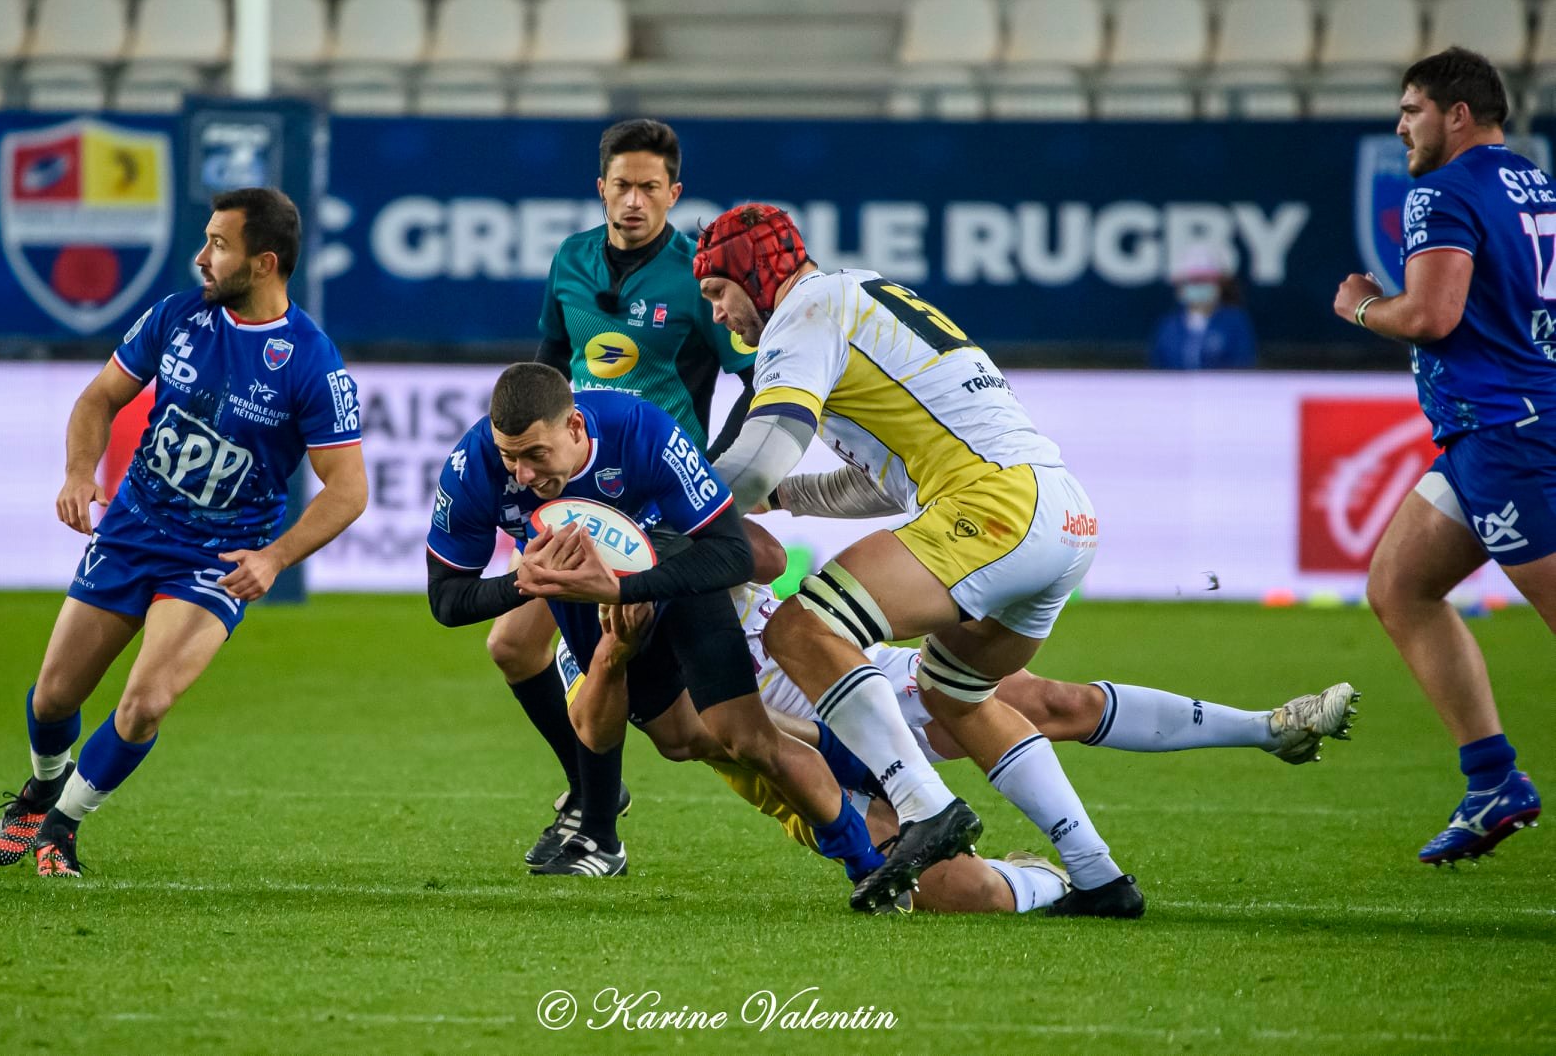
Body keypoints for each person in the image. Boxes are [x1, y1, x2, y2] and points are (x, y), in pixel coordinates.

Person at [696, 203, 1143, 916]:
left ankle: (923, 805)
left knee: (801, 630)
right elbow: (880, 482)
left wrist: (672, 508)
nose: (720, 314)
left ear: (754, 269)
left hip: (997, 505)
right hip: (1059, 507)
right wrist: (783, 495)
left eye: (719, 291)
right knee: (954, 694)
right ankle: (1099, 877)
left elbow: (763, 449)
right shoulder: (858, 295)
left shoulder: (803, 311)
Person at [558, 559, 1360, 916]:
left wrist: (704, 531)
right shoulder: (579, 622)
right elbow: (615, 731)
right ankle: (1045, 880)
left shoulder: (672, 523)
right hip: (791, 763)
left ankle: (1268, 728)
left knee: (1047, 700)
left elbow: (765, 554)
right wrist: (613, 651)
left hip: (860, 675)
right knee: (960, 895)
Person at [0, 187, 369, 878]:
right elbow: (99, 397)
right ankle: (43, 787)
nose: (200, 256)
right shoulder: (176, 315)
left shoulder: (311, 362)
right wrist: (78, 473)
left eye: (219, 245)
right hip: (133, 528)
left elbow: (349, 489)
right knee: (53, 698)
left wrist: (275, 557)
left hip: (215, 558)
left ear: (264, 264)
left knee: (146, 701)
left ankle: (63, 828)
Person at [425, 364, 871, 881]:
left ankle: (868, 860)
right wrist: (523, 581)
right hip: (573, 581)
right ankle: (601, 830)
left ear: (573, 428)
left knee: (747, 740)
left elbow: (728, 552)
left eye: (535, 456)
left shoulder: (642, 429)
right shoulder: (472, 467)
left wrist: (622, 589)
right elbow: (446, 600)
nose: (522, 474)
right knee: (681, 739)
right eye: (511, 457)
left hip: (672, 565)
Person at [488, 119, 757, 872]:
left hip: (654, 508)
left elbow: (752, 377)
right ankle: (591, 800)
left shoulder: (697, 275)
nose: (632, 200)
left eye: (649, 187)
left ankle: (596, 827)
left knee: (685, 730)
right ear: (599, 186)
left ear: (673, 192)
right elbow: (550, 360)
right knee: (513, 646)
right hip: (574, 492)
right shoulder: (570, 260)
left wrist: (725, 467)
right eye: (620, 184)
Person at [1330, 47, 1553, 865]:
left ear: (1456, 114)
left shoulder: (1443, 191)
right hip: (1491, 426)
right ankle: (1493, 779)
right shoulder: (1530, 179)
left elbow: (1430, 315)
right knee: (1398, 585)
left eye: (1410, 110)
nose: (1399, 128)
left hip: (1507, 433)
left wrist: (1361, 307)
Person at [1149, 245, 1257, 370]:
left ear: (1220, 285)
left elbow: (1244, 365)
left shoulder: (1235, 322)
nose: (1200, 286)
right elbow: (1157, 370)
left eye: (1207, 280)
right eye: (1194, 281)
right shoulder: (1168, 326)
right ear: (1181, 287)